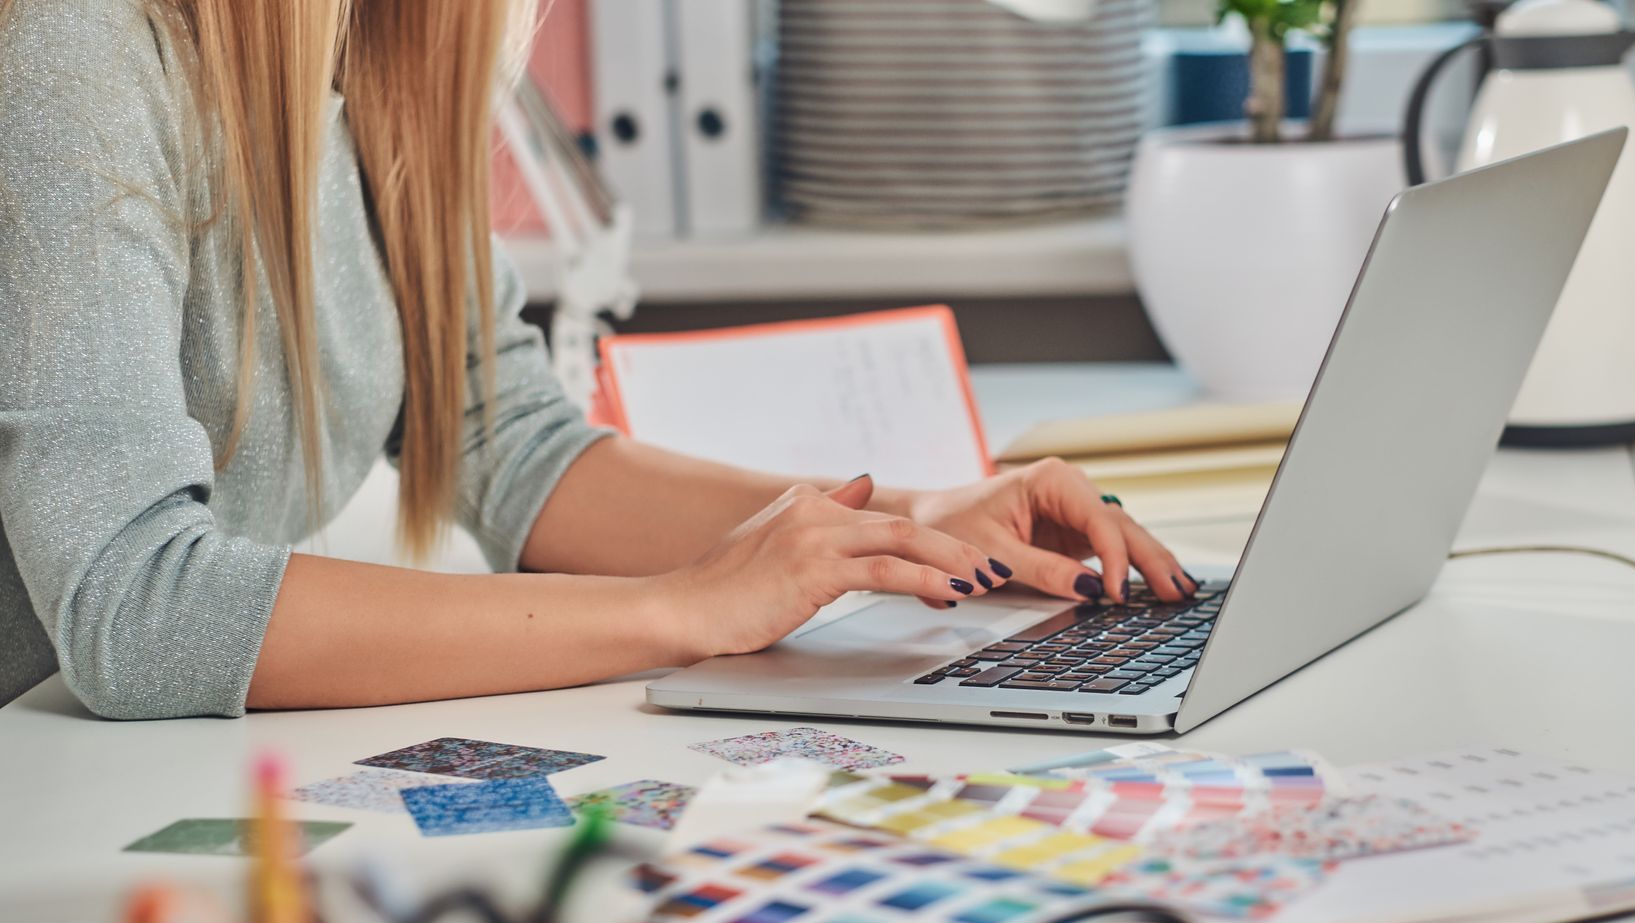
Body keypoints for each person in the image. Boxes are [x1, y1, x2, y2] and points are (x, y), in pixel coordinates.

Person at [0, 0, 1194, 720]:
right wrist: (677, 611)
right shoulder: (81, 55)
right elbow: (136, 608)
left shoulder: (378, 52)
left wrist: (909, 520)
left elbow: (507, 443)